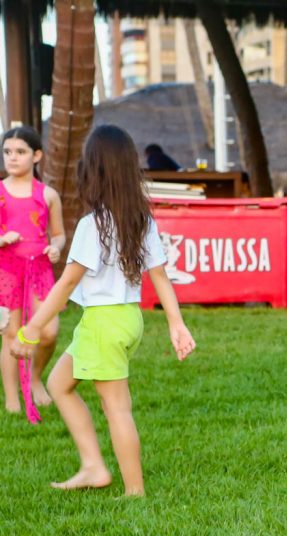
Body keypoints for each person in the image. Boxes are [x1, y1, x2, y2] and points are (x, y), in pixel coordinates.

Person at [11, 125, 196, 496]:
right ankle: (93, 466)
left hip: (103, 323)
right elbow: (159, 277)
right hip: (126, 320)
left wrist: (30, 329)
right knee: (59, 384)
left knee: (116, 407)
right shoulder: (139, 219)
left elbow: (65, 284)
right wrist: (176, 324)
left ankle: (134, 491)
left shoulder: (91, 225)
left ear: (91, 171)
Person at [0, 126, 65, 420]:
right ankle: (12, 398)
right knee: (11, 334)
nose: (12, 158)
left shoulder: (48, 195)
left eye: (20, 152)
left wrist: (57, 248)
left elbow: (59, 234)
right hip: (7, 270)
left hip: (39, 268)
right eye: (7, 152)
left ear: (37, 155)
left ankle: (36, 377)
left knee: (49, 331)